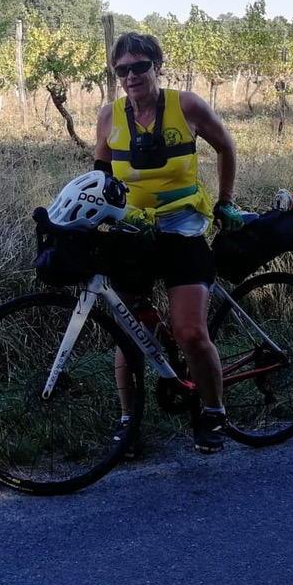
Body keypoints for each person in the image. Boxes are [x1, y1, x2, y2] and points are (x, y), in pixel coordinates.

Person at [94, 31, 246, 454]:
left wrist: (225, 201)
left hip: (182, 230)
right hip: (133, 234)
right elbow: (101, 176)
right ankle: (128, 422)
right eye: (121, 69)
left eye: (139, 66)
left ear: (157, 66)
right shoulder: (109, 116)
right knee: (130, 334)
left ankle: (214, 412)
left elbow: (226, 147)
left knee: (190, 332)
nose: (130, 75)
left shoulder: (188, 105)